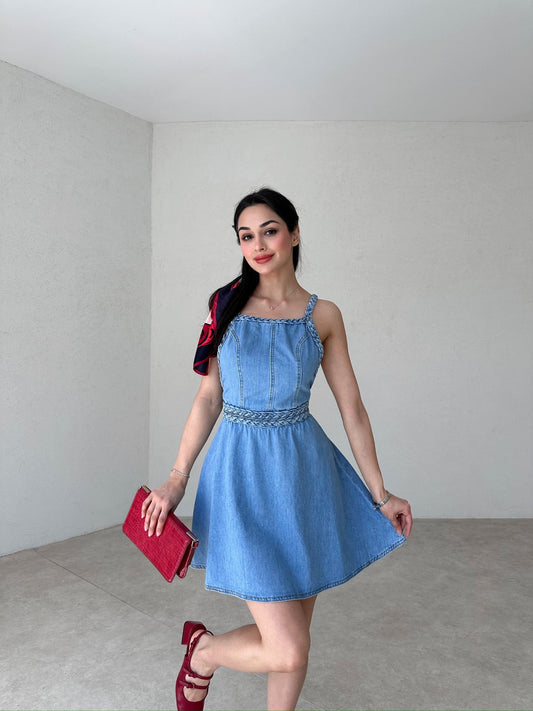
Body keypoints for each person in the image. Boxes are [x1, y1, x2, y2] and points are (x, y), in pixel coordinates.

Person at [141, 188, 413, 711]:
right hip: (239, 475)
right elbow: (209, 397)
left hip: (306, 477)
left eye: (269, 231)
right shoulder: (224, 306)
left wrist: (381, 494)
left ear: (294, 233)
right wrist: (177, 477)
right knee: (287, 648)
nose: (258, 245)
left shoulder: (323, 315)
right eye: (246, 236)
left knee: (295, 638)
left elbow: (352, 408)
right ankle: (203, 653)